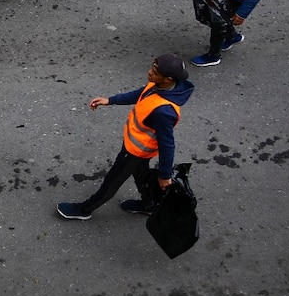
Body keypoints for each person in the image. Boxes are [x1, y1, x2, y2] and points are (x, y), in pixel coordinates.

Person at [57, 54, 194, 220]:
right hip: (137, 148)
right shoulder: (158, 86)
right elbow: (139, 94)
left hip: (134, 152)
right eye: (152, 67)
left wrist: (164, 176)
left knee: (112, 182)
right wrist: (110, 100)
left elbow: (167, 145)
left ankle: (84, 210)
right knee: (141, 176)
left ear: (168, 78)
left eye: (155, 71)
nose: (150, 72)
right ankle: (149, 204)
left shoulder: (164, 112)